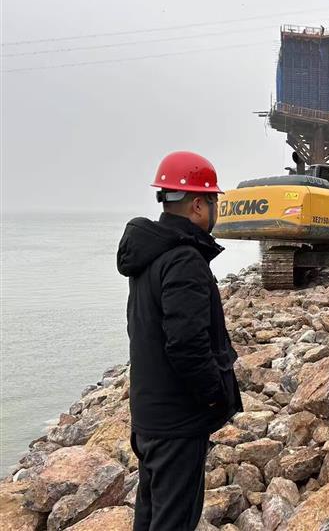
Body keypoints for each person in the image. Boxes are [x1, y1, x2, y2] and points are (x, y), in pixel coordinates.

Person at [117, 151, 243, 531]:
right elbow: (187, 345)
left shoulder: (150, 256)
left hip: (149, 416)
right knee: (174, 521)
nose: (216, 209)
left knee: (151, 516)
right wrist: (214, 397)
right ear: (198, 205)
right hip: (178, 421)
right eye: (214, 200)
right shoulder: (184, 260)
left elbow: (143, 330)